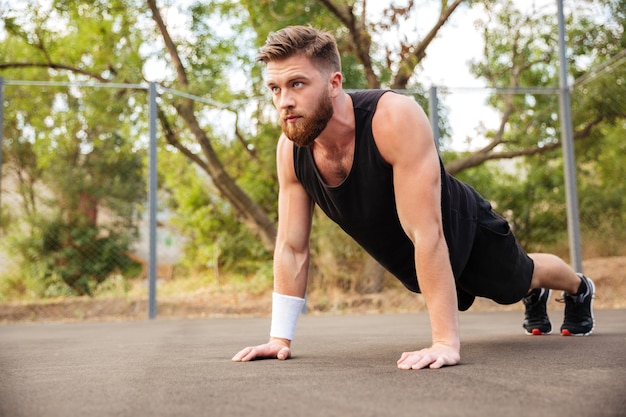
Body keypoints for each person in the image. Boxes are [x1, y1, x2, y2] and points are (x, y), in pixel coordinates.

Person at [231, 25, 595, 370]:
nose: (285, 101)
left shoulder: (393, 118)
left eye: (297, 83)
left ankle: (578, 288)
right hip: (415, 254)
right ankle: (533, 291)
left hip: (460, 227)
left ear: (334, 84)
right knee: (483, 290)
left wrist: (444, 343)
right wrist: (280, 338)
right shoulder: (290, 151)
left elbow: (427, 232)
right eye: (275, 88)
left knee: (517, 280)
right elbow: (292, 247)